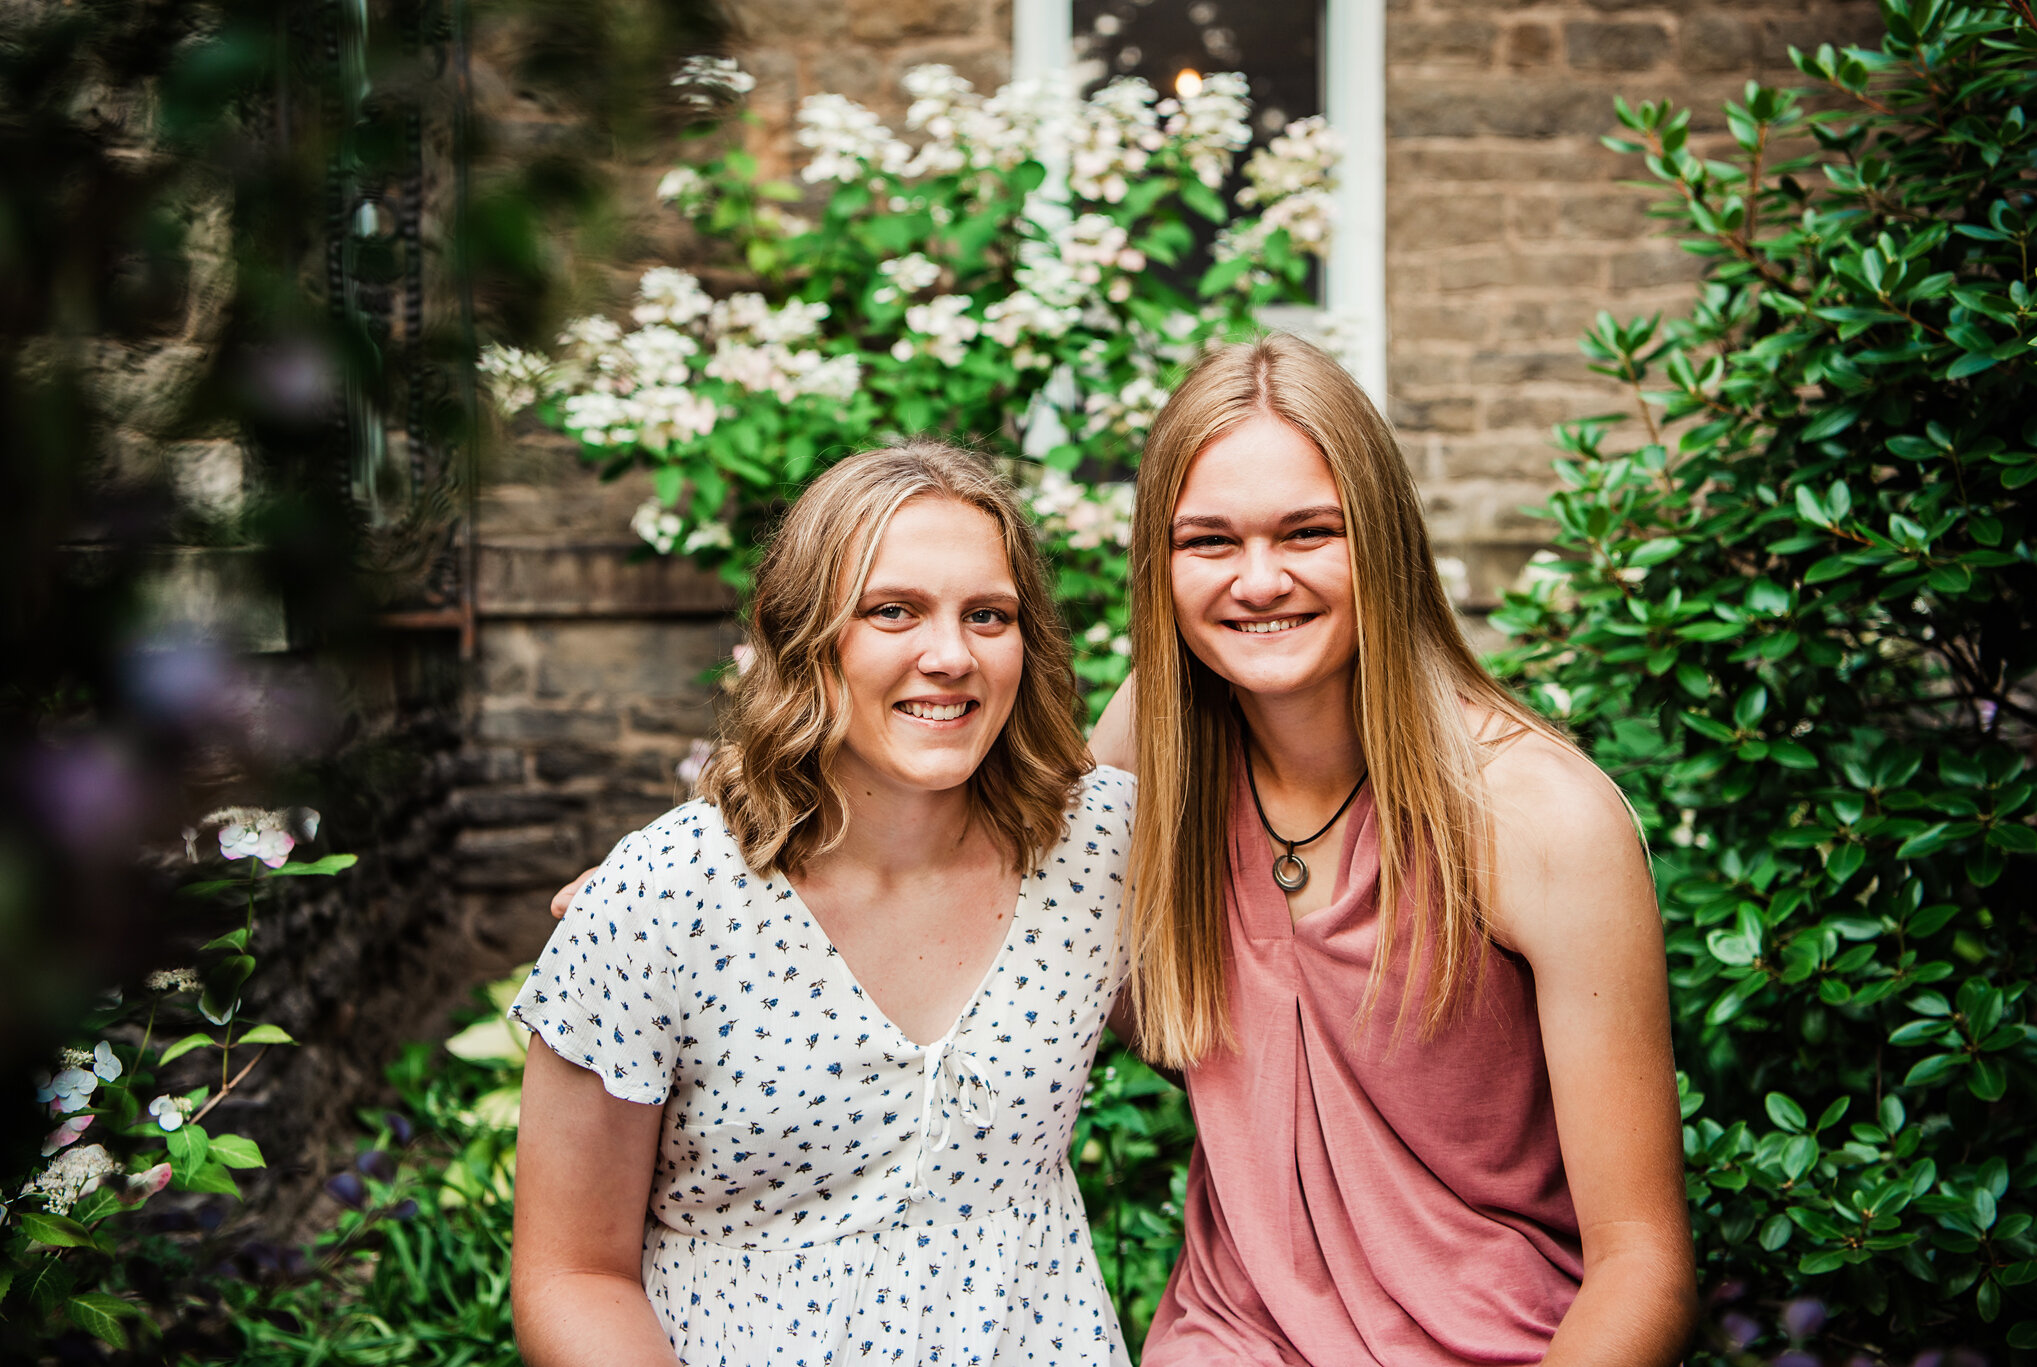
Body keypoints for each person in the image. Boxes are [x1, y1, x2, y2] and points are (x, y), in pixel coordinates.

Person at [1085, 331, 1696, 1365]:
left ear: (1381, 536)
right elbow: (991, 1001)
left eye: (1307, 531)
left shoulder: (1536, 815)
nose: (1258, 579)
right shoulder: (1154, 747)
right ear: (1160, 562)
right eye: (1209, 541)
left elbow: (1643, 1262)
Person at [509, 440, 1137, 1366]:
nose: (952, 654)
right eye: (894, 610)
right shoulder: (665, 898)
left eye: (989, 615)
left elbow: (1211, 645)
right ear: (805, 634)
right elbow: (571, 1275)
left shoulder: (1093, 852)